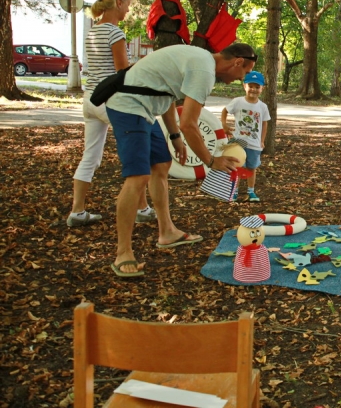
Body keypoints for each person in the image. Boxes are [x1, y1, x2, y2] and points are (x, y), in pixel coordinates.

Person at [105, 43, 257, 276]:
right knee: (138, 176)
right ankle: (123, 252)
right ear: (237, 62)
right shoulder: (204, 70)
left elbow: (167, 94)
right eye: (245, 72)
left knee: (161, 165)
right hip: (128, 106)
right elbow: (189, 123)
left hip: (146, 110)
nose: (242, 78)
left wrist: (174, 135)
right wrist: (211, 161)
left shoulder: (201, 60)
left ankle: (167, 232)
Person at [67, 0, 156, 227]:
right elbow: (122, 71)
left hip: (90, 99)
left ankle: (77, 211)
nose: (128, 10)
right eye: (127, 5)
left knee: (90, 156)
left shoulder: (93, 31)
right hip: (110, 101)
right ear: (118, 3)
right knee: (138, 150)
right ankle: (142, 209)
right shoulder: (115, 33)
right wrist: (147, 64)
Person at [220, 71, 270, 202]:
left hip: (254, 144)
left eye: (257, 87)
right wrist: (224, 125)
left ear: (262, 88)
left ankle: (251, 191)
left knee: (251, 167)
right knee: (237, 167)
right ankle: (234, 191)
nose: (253, 89)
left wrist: (262, 141)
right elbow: (225, 111)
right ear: (244, 86)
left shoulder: (263, 106)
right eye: (250, 86)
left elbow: (264, 124)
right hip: (239, 143)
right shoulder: (238, 102)